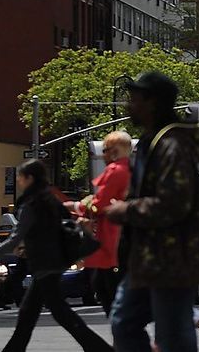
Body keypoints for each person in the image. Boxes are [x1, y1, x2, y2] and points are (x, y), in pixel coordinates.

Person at [105, 71, 199, 352]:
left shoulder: (171, 146)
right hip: (149, 259)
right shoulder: (151, 143)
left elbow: (173, 204)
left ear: (152, 102)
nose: (129, 105)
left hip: (172, 260)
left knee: (173, 335)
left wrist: (124, 209)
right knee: (124, 322)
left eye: (135, 99)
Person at [0, 160, 112, 352]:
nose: (19, 182)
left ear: (29, 178)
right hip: (55, 262)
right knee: (28, 315)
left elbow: (16, 239)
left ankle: (101, 349)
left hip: (44, 264)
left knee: (59, 314)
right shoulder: (49, 199)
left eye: (21, 178)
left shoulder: (31, 204)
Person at [65, 130, 132, 316]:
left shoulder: (115, 171)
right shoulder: (128, 170)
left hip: (111, 236)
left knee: (106, 288)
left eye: (105, 150)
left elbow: (99, 203)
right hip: (115, 236)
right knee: (107, 287)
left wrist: (79, 207)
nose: (102, 154)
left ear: (115, 151)